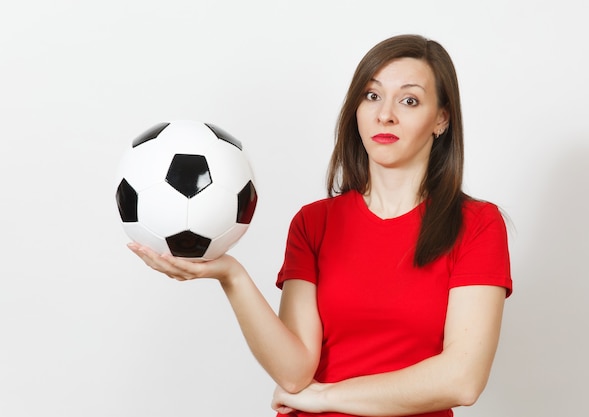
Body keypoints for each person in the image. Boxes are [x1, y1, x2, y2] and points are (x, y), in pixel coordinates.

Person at [128, 34, 513, 417]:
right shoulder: (314, 222)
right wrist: (232, 276)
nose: (385, 114)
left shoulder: (477, 225)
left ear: (441, 119)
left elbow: (462, 379)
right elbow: (295, 375)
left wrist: (326, 397)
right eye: (372, 95)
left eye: (409, 100)